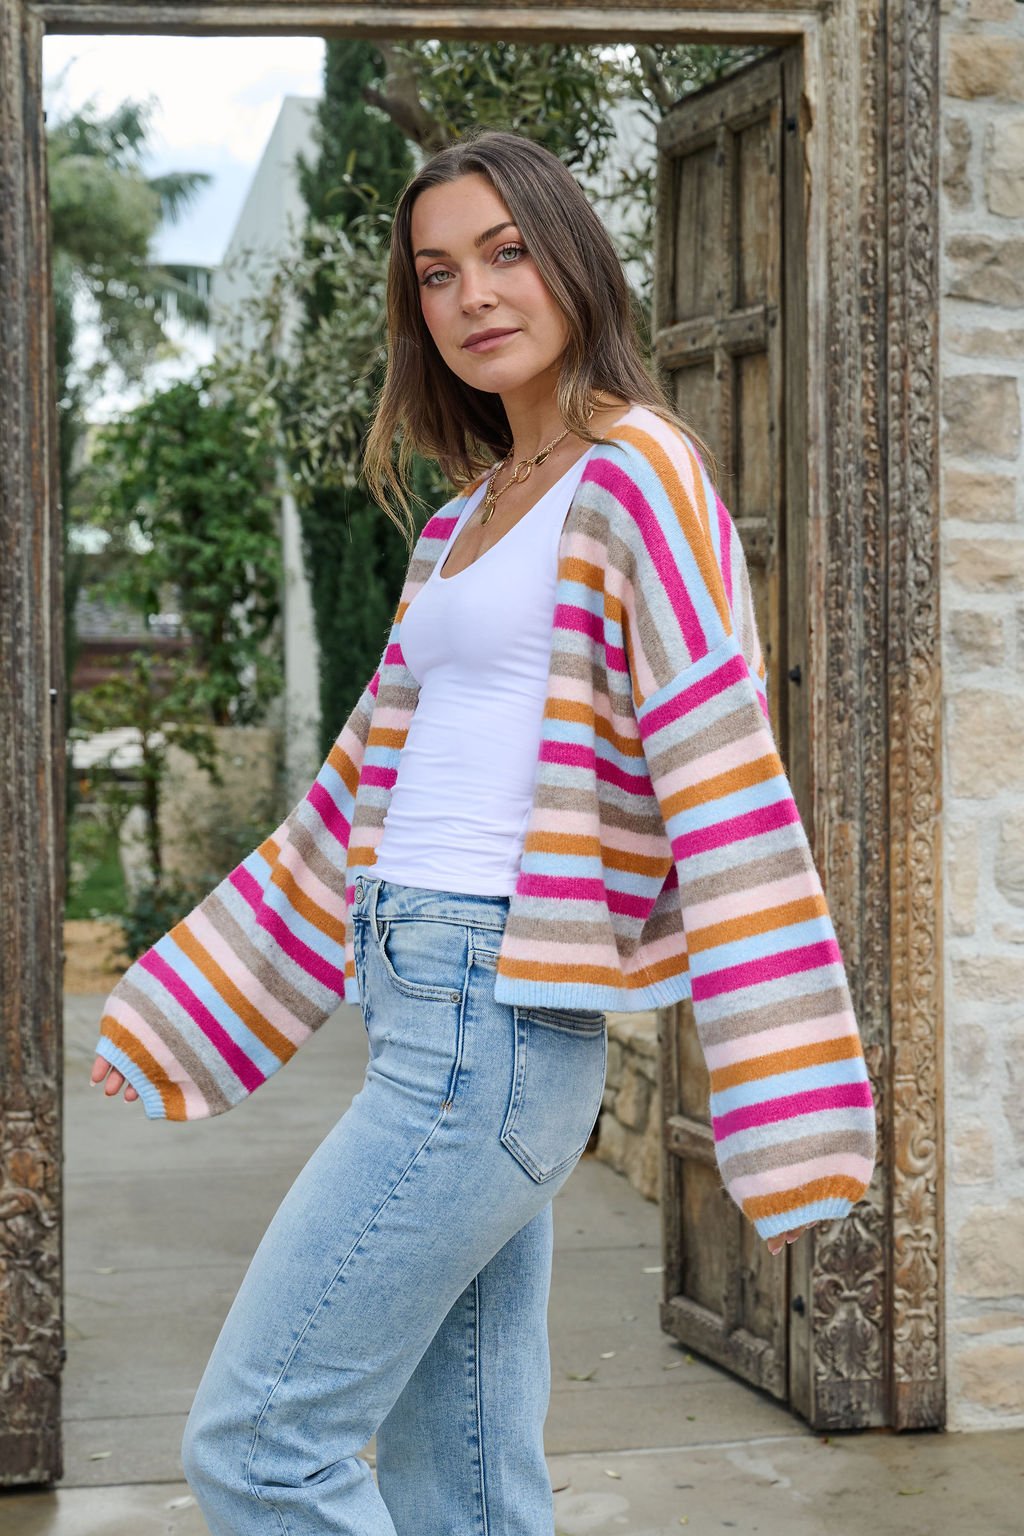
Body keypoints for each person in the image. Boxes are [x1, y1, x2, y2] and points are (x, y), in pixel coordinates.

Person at [90, 127, 876, 1535]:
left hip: (496, 1016)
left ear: (574, 260)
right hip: (420, 994)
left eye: (508, 253)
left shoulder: (641, 472)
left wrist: (782, 1078)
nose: (473, 295)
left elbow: (720, 755)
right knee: (463, 1481)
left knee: (261, 1448)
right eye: (439, 271)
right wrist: (192, 998)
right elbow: (351, 800)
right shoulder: (456, 526)